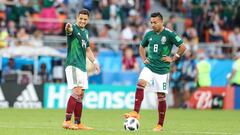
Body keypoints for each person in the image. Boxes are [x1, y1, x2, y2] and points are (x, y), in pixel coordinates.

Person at [124, 12, 186, 131]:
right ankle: (136, 112)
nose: (152, 24)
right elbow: (141, 47)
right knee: (141, 82)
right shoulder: (149, 34)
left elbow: (182, 46)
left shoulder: (169, 34)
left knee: (161, 96)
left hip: (163, 70)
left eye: (155, 22)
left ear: (161, 22)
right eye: (151, 22)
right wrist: (144, 59)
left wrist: (173, 58)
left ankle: (160, 125)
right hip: (150, 67)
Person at [62, 9, 100, 130]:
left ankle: (78, 123)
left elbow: (87, 49)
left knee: (81, 94)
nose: (82, 21)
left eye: (85, 19)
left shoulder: (86, 32)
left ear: (87, 20)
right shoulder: (73, 28)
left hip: (82, 66)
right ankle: (67, 121)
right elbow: (68, 30)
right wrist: (67, 27)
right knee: (77, 91)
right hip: (73, 64)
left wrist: (95, 62)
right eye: (80, 18)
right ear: (77, 18)